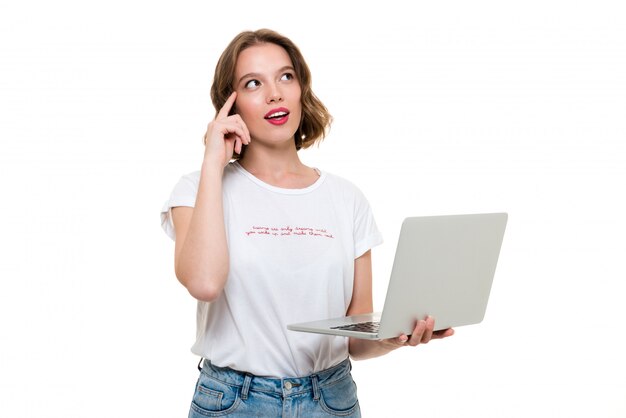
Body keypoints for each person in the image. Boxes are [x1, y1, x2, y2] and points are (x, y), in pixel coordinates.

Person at [161, 28, 454, 418]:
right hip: (234, 402)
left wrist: (396, 338)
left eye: (286, 77)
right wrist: (213, 164)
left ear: (302, 89)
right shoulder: (198, 189)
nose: (275, 94)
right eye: (253, 83)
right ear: (229, 107)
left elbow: (356, 337)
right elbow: (204, 282)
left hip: (330, 399)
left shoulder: (347, 198)